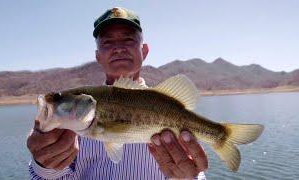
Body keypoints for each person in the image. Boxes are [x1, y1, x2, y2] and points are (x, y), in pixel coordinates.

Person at [27, 7, 208, 179]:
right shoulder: (66, 125)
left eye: (128, 39)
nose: (118, 48)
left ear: (144, 51)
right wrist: (45, 165)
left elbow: (196, 173)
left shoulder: (169, 108)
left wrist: (185, 178)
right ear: (98, 56)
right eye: (108, 42)